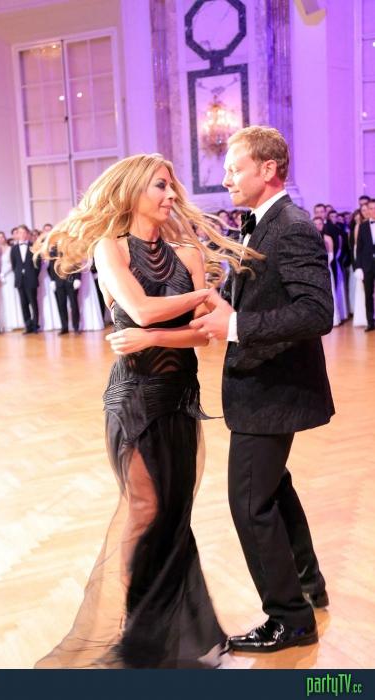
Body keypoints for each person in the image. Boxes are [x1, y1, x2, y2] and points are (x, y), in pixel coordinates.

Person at [33, 153, 255, 669]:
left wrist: (154, 336)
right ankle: (138, 629)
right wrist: (198, 299)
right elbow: (141, 309)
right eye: (160, 186)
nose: (171, 195)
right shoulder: (109, 248)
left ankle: (178, 630)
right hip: (133, 399)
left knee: (174, 512)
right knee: (145, 508)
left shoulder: (188, 254)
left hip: (180, 398)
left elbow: (201, 336)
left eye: (172, 187)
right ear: (133, 190)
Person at [191, 126, 334, 653]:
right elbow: (261, 300)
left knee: (250, 503)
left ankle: (290, 620)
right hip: (264, 386)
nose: (225, 178)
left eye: (235, 168)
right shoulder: (263, 224)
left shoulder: (290, 226)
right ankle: (308, 585)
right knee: (273, 490)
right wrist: (222, 307)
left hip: (272, 390)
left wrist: (235, 326)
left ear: (268, 169)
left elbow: (317, 312)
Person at [10, 224, 40, 334]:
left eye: (24, 232)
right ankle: (28, 326)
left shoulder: (34, 246)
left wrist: (32, 274)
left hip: (31, 279)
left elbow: (37, 264)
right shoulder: (14, 249)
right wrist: (19, 274)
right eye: (20, 232)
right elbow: (14, 265)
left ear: (27, 234)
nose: (22, 234)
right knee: (23, 304)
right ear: (17, 234)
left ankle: (35, 325)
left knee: (33, 303)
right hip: (20, 280)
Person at [355, 198, 375, 332]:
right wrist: (358, 267)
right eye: (371, 208)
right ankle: (370, 322)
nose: (373, 211)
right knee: (368, 295)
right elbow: (359, 249)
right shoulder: (363, 227)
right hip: (367, 266)